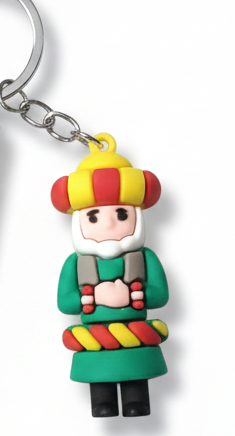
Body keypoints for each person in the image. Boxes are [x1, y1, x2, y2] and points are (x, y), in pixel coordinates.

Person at [52, 134, 169, 417]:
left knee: (135, 375)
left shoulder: (145, 257)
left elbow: (160, 295)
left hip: (136, 335)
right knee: (100, 379)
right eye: (93, 217)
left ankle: (135, 400)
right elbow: (65, 302)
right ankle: (101, 402)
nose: (108, 224)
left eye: (121, 214)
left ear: (136, 216)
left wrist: (132, 295)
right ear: (79, 221)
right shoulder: (75, 263)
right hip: (94, 338)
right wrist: (96, 297)